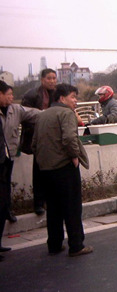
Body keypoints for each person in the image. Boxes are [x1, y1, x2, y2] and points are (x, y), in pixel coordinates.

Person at [32, 83, 93, 257]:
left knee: (54, 208)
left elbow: (34, 144)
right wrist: (74, 157)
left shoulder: (43, 115)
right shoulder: (66, 113)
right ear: (62, 98)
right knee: (72, 208)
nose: (76, 101)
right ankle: (76, 245)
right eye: (73, 97)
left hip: (45, 169)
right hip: (64, 168)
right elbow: (69, 138)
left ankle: (54, 244)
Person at [0, 80, 40, 261]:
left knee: (4, 192)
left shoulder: (15, 110)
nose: (11, 97)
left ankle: (7, 211)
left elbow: (34, 114)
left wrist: (53, 114)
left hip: (7, 158)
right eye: (8, 94)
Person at [21, 68, 57, 215]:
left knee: (53, 171)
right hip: (37, 138)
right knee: (39, 171)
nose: (52, 81)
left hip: (53, 138)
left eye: (54, 78)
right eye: (49, 78)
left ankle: (51, 200)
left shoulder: (57, 94)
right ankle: (38, 203)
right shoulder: (31, 95)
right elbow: (24, 118)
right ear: (42, 79)